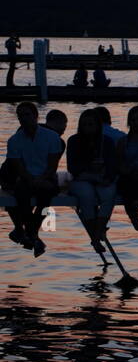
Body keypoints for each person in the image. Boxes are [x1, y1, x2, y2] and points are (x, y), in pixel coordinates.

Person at [3, 102, 64, 256]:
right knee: (21, 195)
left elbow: (52, 165)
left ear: (36, 116)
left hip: (47, 176)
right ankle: (33, 234)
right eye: (20, 116)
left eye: (27, 114)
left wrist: (42, 178)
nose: (23, 118)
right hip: (25, 178)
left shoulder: (52, 137)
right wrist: (31, 180)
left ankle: (30, 231)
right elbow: (18, 167)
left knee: (47, 196)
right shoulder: (14, 140)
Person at [65, 109, 119, 248]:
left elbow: (113, 165)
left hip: (102, 177)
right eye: (85, 124)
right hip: (81, 179)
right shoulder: (73, 141)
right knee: (86, 195)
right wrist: (89, 171)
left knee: (109, 193)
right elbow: (72, 168)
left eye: (91, 124)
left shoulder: (106, 141)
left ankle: (96, 234)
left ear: (98, 125)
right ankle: (97, 234)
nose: (88, 128)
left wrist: (106, 178)